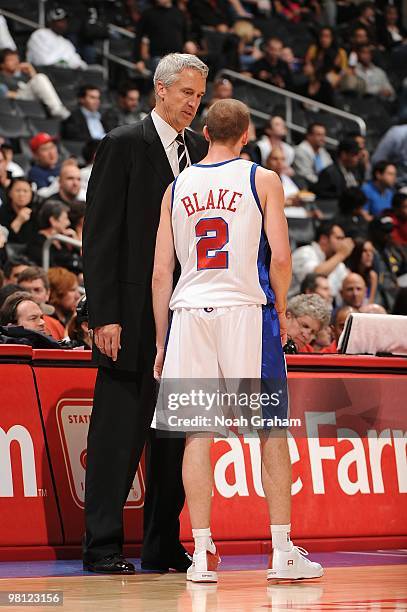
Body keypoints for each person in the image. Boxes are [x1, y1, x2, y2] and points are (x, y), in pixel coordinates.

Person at [152, 97, 323, 583]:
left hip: (189, 312)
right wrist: (283, 308)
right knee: (270, 430)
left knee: (197, 433)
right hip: (247, 310)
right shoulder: (262, 178)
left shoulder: (176, 185)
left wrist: (163, 341)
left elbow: (161, 272)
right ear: (247, 136)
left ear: (204, 133)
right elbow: (283, 257)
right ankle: (282, 551)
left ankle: (202, 555)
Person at [82, 53, 209, 575]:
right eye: (186, 93)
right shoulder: (123, 144)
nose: (193, 103)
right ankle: (103, 544)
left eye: (199, 96)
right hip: (130, 315)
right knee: (118, 434)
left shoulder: (200, 149)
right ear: (160, 90)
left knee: (173, 439)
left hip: (186, 316)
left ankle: (161, 542)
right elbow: (101, 235)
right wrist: (104, 314)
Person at [0, 48, 70, 119]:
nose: (16, 62)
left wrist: (31, 71)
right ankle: (57, 110)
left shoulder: (23, 76)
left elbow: (41, 88)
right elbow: (4, 93)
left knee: (39, 79)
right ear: (2, 64)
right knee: (40, 77)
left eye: (16, 59)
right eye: (11, 60)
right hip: (17, 99)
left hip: (30, 98)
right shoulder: (1, 78)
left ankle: (57, 110)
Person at [290, 222, 353, 299]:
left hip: (325, 308)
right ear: (324, 239)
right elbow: (314, 276)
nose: (343, 243)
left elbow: (348, 289)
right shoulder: (305, 252)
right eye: (339, 238)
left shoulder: (338, 264)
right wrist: (341, 254)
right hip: (293, 306)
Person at [28, 200, 82, 274]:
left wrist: (75, 238)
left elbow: (81, 259)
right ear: (53, 220)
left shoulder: (63, 239)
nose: (68, 222)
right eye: (65, 218)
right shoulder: (38, 242)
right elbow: (50, 269)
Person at [17, 265, 65, 340]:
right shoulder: (10, 325)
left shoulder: (56, 325)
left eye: (37, 290)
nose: (31, 295)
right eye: (24, 290)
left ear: (47, 294)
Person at [0, 178, 37, 246]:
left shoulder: (38, 210)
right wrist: (19, 221)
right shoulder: (2, 212)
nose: (21, 194)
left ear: (32, 194)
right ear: (10, 193)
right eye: (18, 190)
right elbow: (4, 240)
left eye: (25, 191)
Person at [47, 266, 81, 332]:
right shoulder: (46, 324)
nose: (78, 296)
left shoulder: (68, 318)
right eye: (72, 290)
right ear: (57, 292)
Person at [345, 238, 378, 303]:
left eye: (371, 251)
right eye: (364, 251)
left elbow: (370, 302)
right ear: (357, 252)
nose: (369, 254)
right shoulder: (348, 273)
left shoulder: (372, 275)